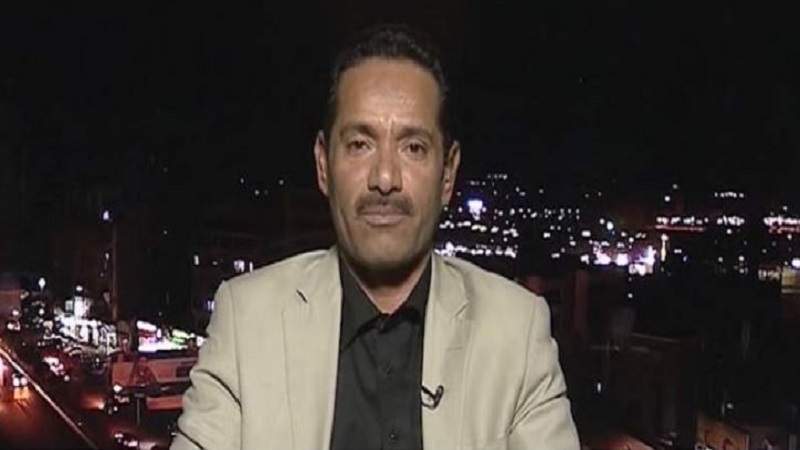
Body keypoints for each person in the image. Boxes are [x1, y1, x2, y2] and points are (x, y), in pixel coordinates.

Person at [172, 24, 579, 450]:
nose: (385, 178)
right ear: (323, 165)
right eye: (359, 144)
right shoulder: (246, 320)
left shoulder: (517, 332)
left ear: (448, 174)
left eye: (413, 147)